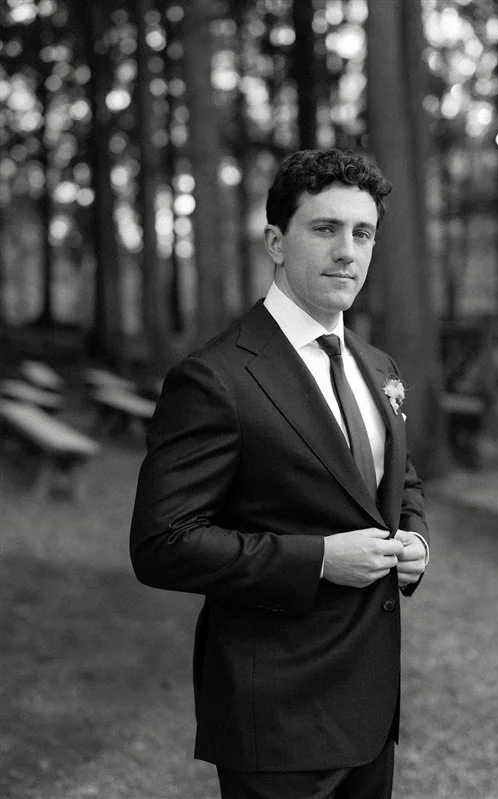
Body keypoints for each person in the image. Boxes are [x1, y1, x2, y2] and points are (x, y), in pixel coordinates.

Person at [130, 148, 430, 799]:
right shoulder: (216, 377)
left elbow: (397, 481)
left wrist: (414, 538)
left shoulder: (378, 366)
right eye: (325, 229)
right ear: (275, 240)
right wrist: (318, 558)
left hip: (372, 709)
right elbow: (161, 544)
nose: (347, 251)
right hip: (277, 715)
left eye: (363, 232)